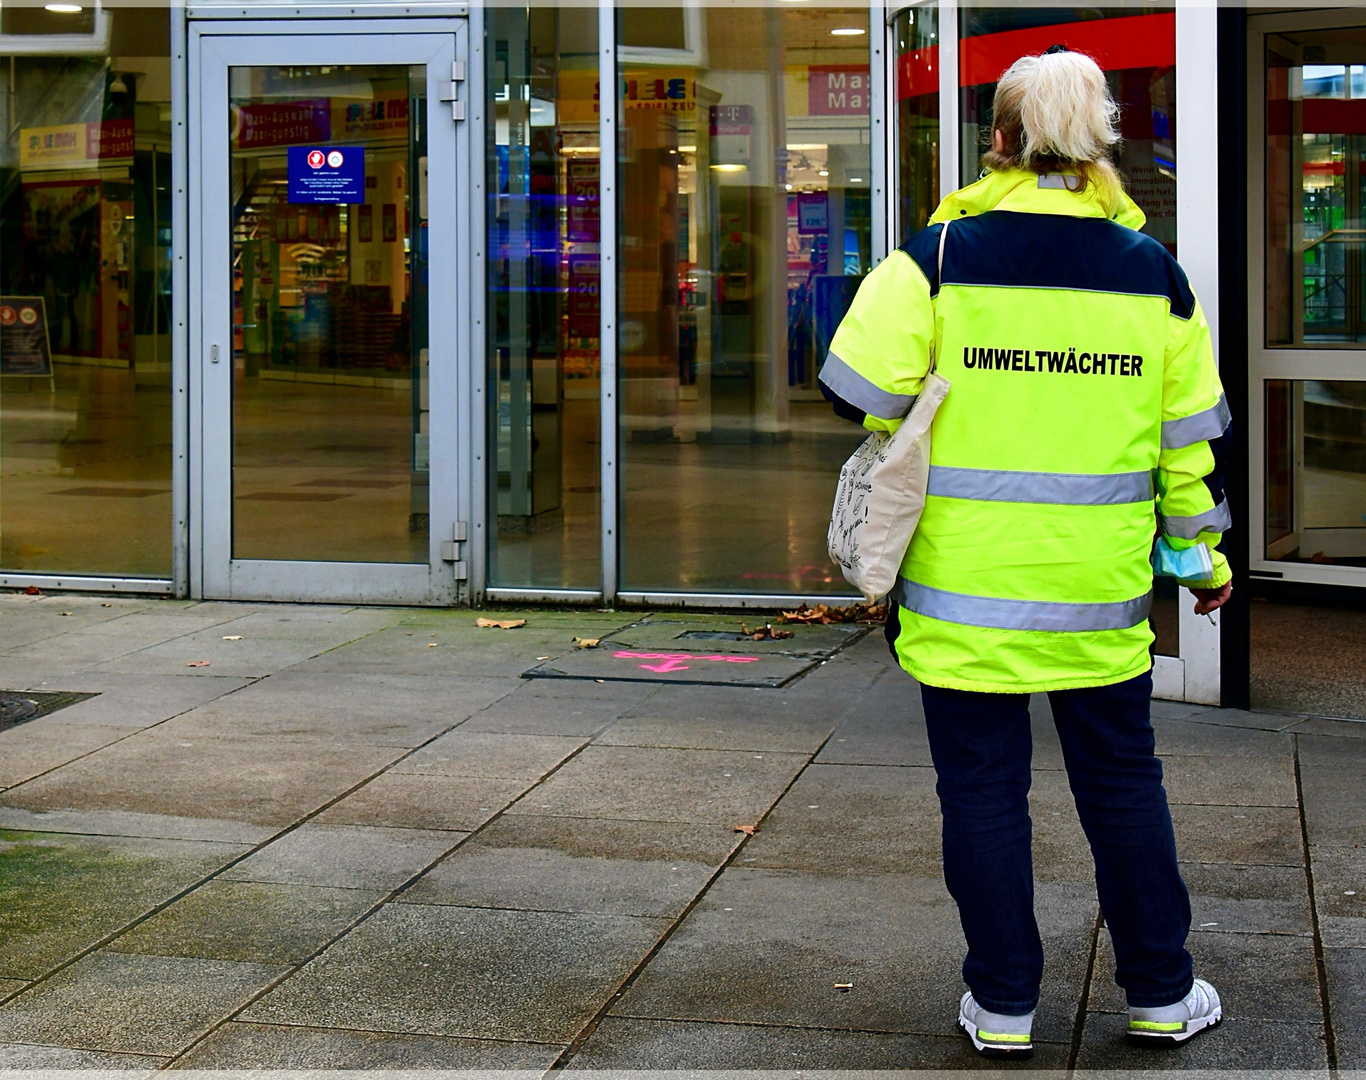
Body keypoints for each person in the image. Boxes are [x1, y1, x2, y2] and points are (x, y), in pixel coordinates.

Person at [819, 47, 1230, 1058]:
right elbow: (1187, 453)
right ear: (1099, 145)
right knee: (1123, 786)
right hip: (1096, 598)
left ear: (996, 141)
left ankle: (1002, 1004)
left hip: (964, 596)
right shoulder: (1155, 278)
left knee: (983, 796)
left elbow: (851, 388)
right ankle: (1160, 995)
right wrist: (1202, 562)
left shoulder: (939, 258)